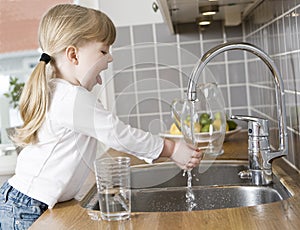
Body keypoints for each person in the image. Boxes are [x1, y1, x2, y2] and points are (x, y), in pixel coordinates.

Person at [0, 4, 202, 229]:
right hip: (28, 207)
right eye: (103, 51)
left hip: (22, 202)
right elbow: (117, 133)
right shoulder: (72, 98)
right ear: (73, 55)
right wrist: (171, 149)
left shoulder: (61, 93)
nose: (110, 58)